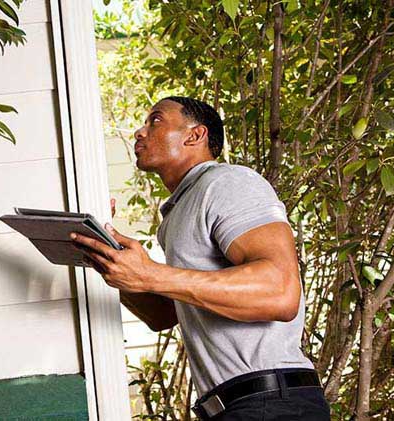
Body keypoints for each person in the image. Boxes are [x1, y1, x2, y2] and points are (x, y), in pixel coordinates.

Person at [69, 96, 330, 420]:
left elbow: (280, 292)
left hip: (272, 404)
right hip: (235, 407)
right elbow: (164, 316)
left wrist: (151, 274)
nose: (139, 132)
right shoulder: (178, 213)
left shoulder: (228, 182)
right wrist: (109, 259)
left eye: (155, 121)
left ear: (195, 136)